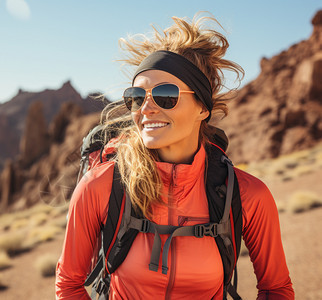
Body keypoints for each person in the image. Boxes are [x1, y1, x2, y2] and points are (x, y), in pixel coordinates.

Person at [56, 14, 294, 299]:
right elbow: (69, 286)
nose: (146, 108)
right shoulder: (101, 185)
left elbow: (276, 289)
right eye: (136, 97)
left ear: (202, 109)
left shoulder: (247, 195)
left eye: (165, 95)